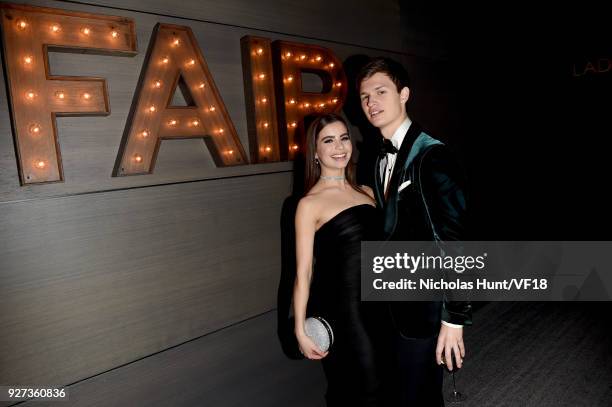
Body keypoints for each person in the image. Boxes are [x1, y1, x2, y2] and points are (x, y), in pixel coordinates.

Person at [357, 57, 472, 406]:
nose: (371, 103)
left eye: (380, 92)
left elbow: (455, 238)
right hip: (390, 302)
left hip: (424, 307)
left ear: (404, 94)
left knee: (416, 394)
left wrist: (454, 318)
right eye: (364, 97)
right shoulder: (375, 158)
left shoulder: (431, 154)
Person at [292, 113, 381, 406]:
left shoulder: (368, 192)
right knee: (365, 387)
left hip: (382, 304)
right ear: (315, 152)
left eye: (344, 138)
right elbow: (303, 272)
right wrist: (300, 330)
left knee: (390, 381)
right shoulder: (309, 204)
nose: (339, 147)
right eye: (328, 140)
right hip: (346, 312)